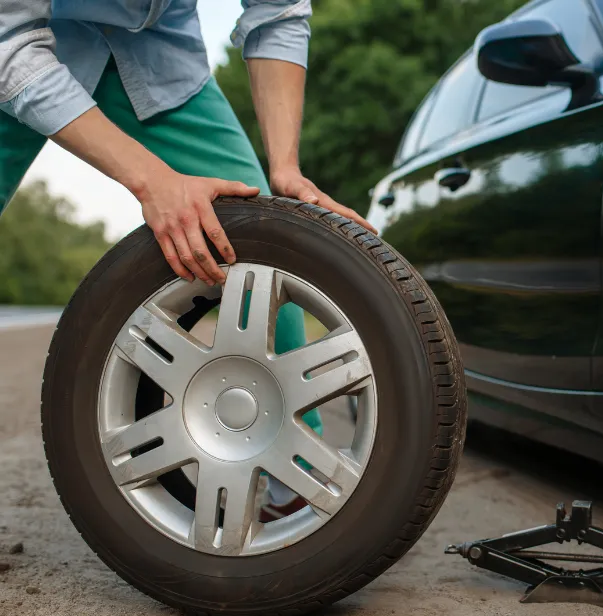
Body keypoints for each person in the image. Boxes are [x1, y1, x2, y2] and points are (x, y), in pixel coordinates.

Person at [0, 0, 373, 518]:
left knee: (261, 232)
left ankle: (292, 469)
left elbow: (279, 13)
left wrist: (285, 166)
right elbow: (9, 41)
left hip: (157, 57)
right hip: (15, 41)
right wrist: (152, 182)